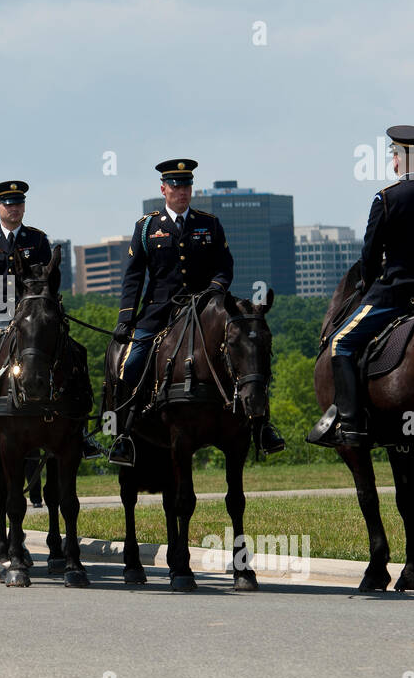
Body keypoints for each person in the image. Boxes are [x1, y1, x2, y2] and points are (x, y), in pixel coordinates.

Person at [110, 158, 285, 465]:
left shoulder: (209, 223)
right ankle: (124, 433)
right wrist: (126, 318)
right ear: (163, 189)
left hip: (206, 308)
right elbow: (134, 276)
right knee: (132, 363)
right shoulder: (147, 227)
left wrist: (214, 291)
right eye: (176, 186)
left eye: (187, 186)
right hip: (160, 311)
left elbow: (224, 265)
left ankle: (261, 425)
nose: (182, 192)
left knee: (249, 353)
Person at [314, 125, 414, 447]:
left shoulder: (386, 198)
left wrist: (368, 287)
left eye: (393, 155)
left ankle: (350, 424)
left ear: (397, 159)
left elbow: (369, 256)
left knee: (340, 342)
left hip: (394, 293)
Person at [0, 181, 103, 458]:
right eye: (8, 204)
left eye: (19, 204)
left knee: (75, 351)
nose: (14, 209)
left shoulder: (38, 239)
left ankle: (80, 426)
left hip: (32, 311)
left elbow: (51, 278)